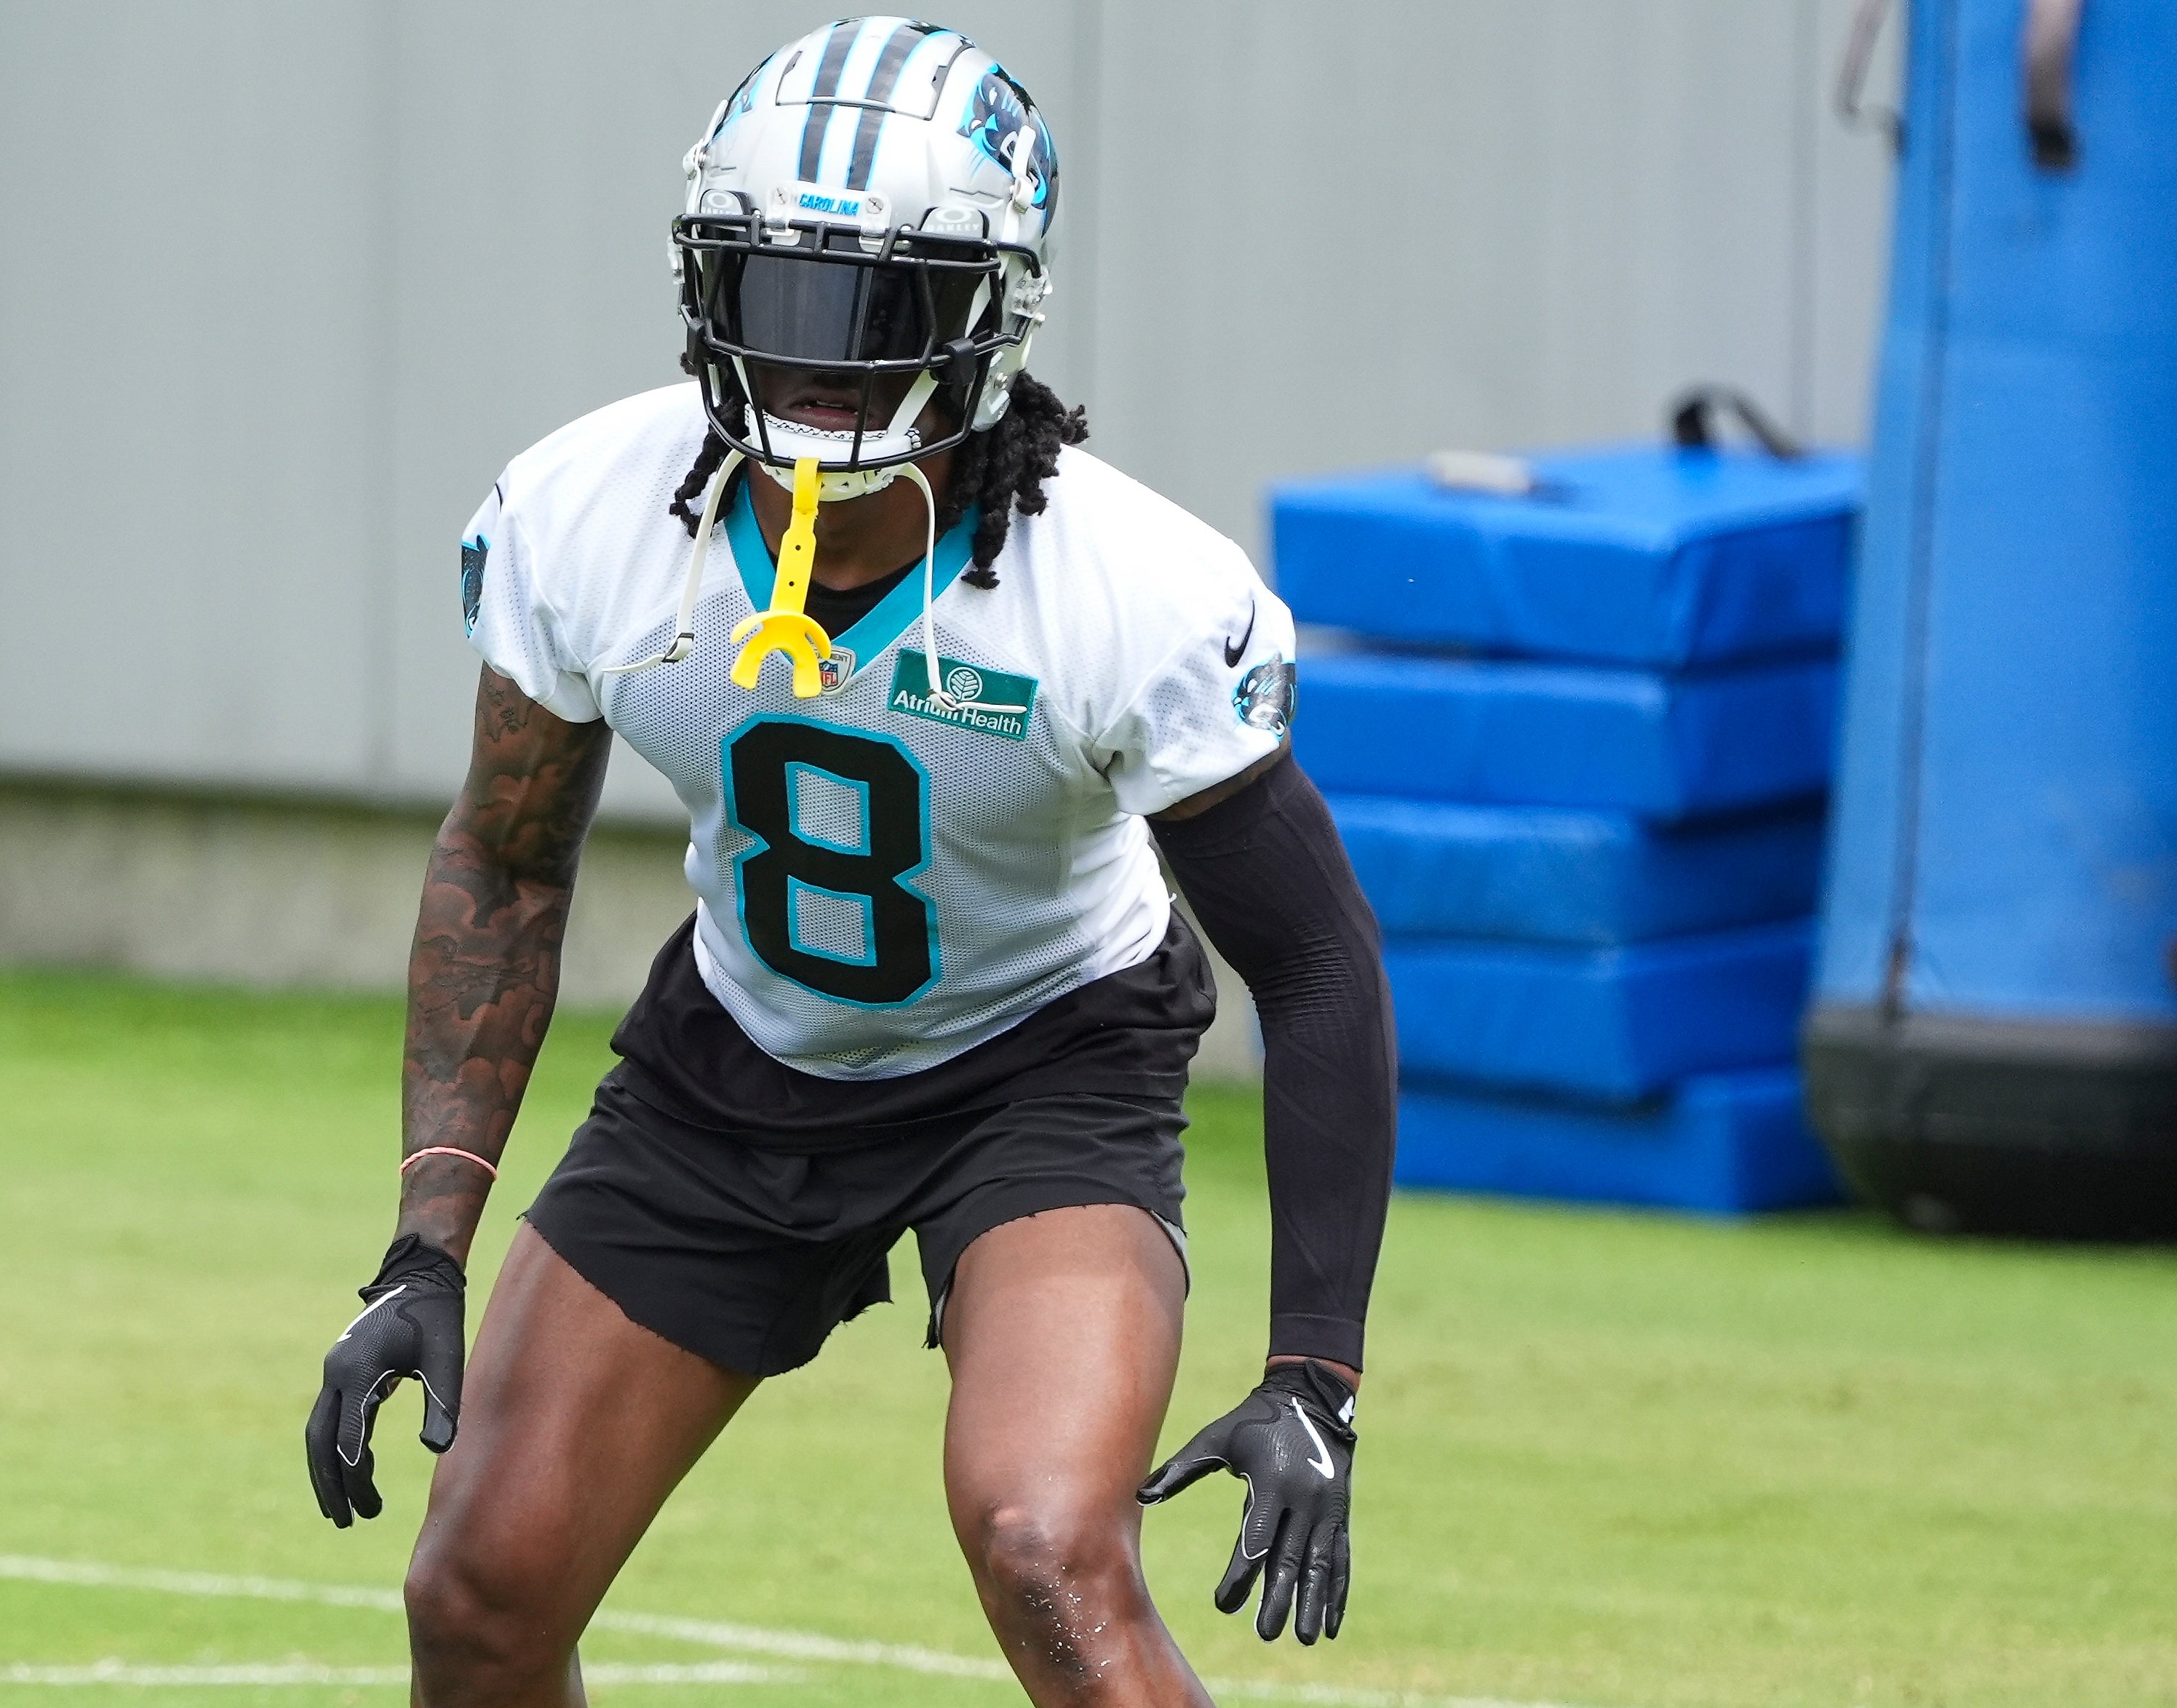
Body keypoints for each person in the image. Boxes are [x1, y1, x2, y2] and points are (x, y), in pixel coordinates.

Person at [305, 18, 1395, 1706]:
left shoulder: (1124, 590)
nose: (815, 357)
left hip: (1045, 1060)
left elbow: (1315, 963)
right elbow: (508, 863)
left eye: (877, 307)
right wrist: (424, 1250)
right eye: (771, 289)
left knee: (1046, 1544)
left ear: (992, 316)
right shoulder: (588, 513)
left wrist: (1314, 1370)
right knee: (478, 1591)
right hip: (735, 1057)